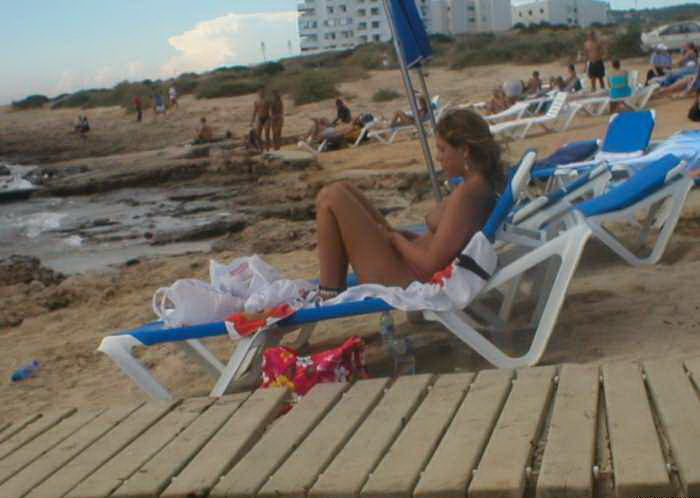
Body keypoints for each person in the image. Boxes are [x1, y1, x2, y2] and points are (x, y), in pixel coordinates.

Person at [314, 108, 502, 298]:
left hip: (407, 278)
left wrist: (395, 239)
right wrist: (406, 239)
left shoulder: (467, 195)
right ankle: (331, 289)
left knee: (331, 196)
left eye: (442, 149)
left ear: (464, 150)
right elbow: (446, 242)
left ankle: (328, 293)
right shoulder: (479, 186)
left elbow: (431, 264)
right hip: (408, 266)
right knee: (344, 188)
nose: (438, 157)